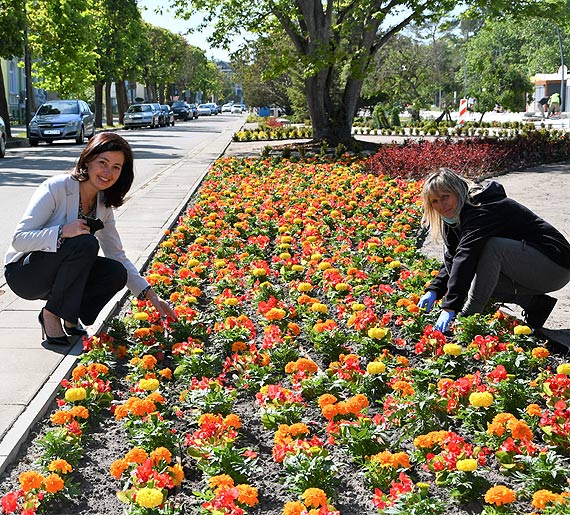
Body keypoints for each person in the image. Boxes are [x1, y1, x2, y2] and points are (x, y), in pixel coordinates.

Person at [4, 132, 177, 345]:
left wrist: (150, 295)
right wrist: (62, 231)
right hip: (25, 274)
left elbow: (117, 255)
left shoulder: (103, 204)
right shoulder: (56, 187)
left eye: (116, 167)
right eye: (102, 163)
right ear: (87, 161)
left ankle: (69, 315)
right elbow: (19, 239)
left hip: (58, 276)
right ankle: (51, 314)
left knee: (116, 272)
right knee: (85, 243)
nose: (108, 172)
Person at [417, 168, 570, 333]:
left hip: (555, 266)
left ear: (457, 191)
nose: (441, 205)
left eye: (445, 197)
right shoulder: (453, 217)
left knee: (491, 248)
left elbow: (465, 256)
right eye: (434, 201)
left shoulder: (480, 208)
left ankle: (469, 317)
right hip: (533, 267)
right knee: (476, 274)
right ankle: (535, 304)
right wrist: (434, 290)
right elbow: (454, 258)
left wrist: (450, 308)